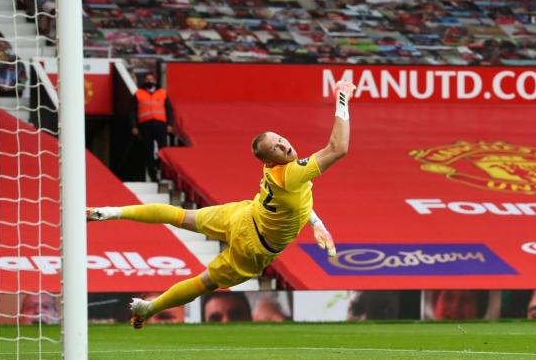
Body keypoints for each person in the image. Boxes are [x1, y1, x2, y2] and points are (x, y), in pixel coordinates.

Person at [87, 80, 355, 329]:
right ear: (269, 161)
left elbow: (298, 201)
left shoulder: (281, 172)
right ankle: (149, 308)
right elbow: (338, 148)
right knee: (205, 283)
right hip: (254, 248)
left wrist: (316, 223)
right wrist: (342, 98)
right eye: (275, 147)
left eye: (281, 140)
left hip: (243, 215)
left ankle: (111, 211)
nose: (283, 146)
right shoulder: (294, 172)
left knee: (181, 216)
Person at [130, 72, 175, 181]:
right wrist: (134, 126)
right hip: (145, 125)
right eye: (147, 79)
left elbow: (169, 110)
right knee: (148, 150)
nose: (149, 81)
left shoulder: (162, 93)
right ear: (144, 81)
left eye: (151, 79)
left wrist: (170, 124)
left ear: (155, 81)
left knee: (163, 149)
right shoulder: (138, 94)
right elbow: (132, 111)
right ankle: (153, 175)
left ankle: (163, 171)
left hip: (160, 125)